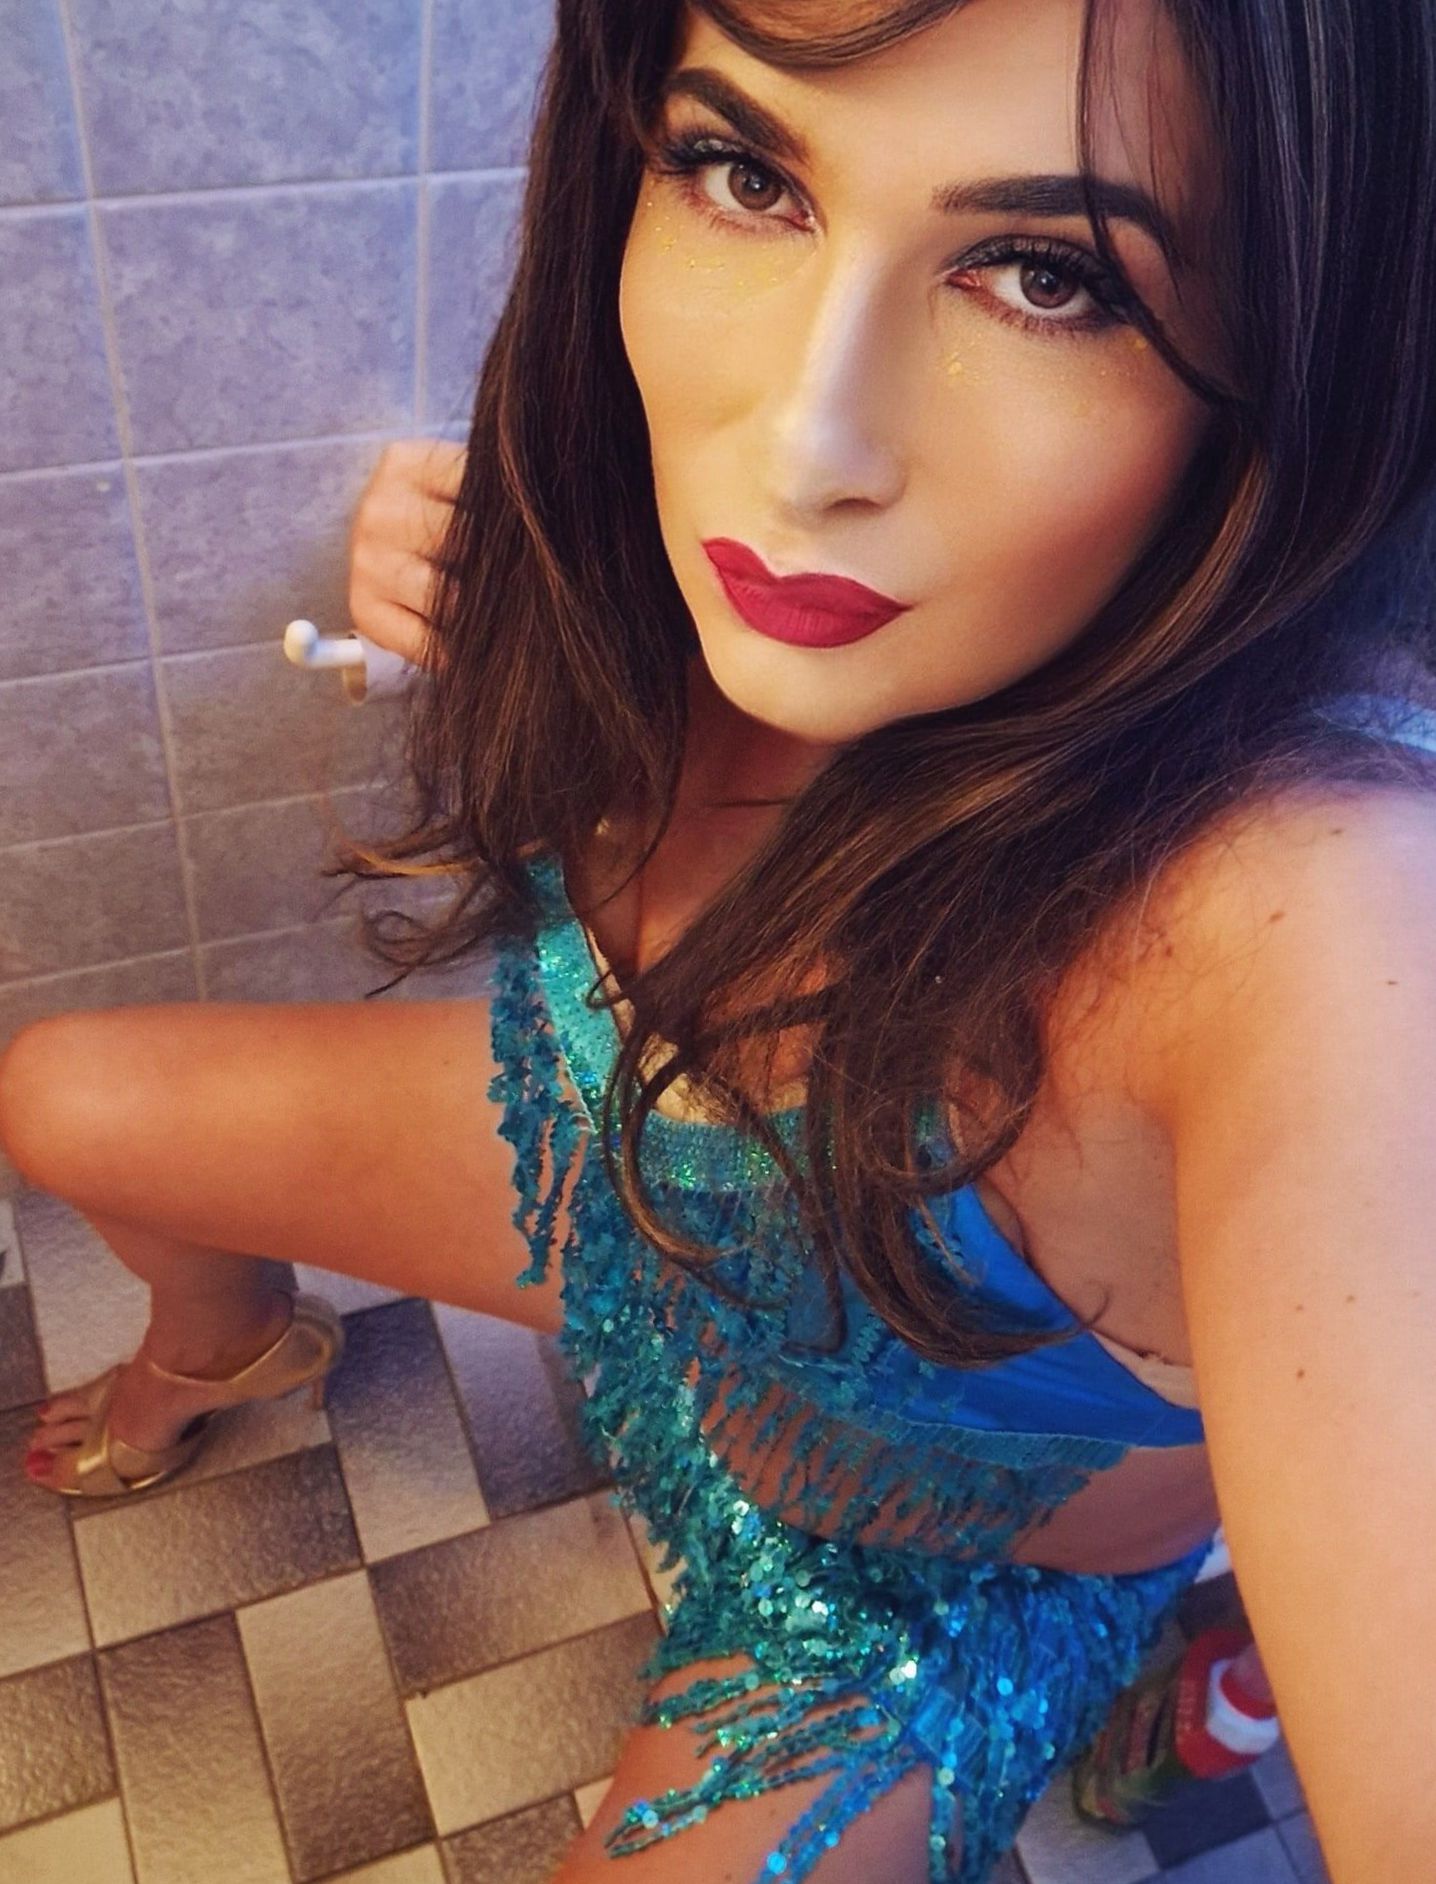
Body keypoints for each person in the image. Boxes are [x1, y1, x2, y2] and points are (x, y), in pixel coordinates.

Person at [3, 2, 1435, 1880]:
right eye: (747, 173)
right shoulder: (668, 530)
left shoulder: (1309, 914)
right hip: (645, 1214)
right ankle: (230, 1349)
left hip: (928, 1579)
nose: (800, 444)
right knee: (64, 1099)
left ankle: (1192, 1652)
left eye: (1050, 275)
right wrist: (478, 578)